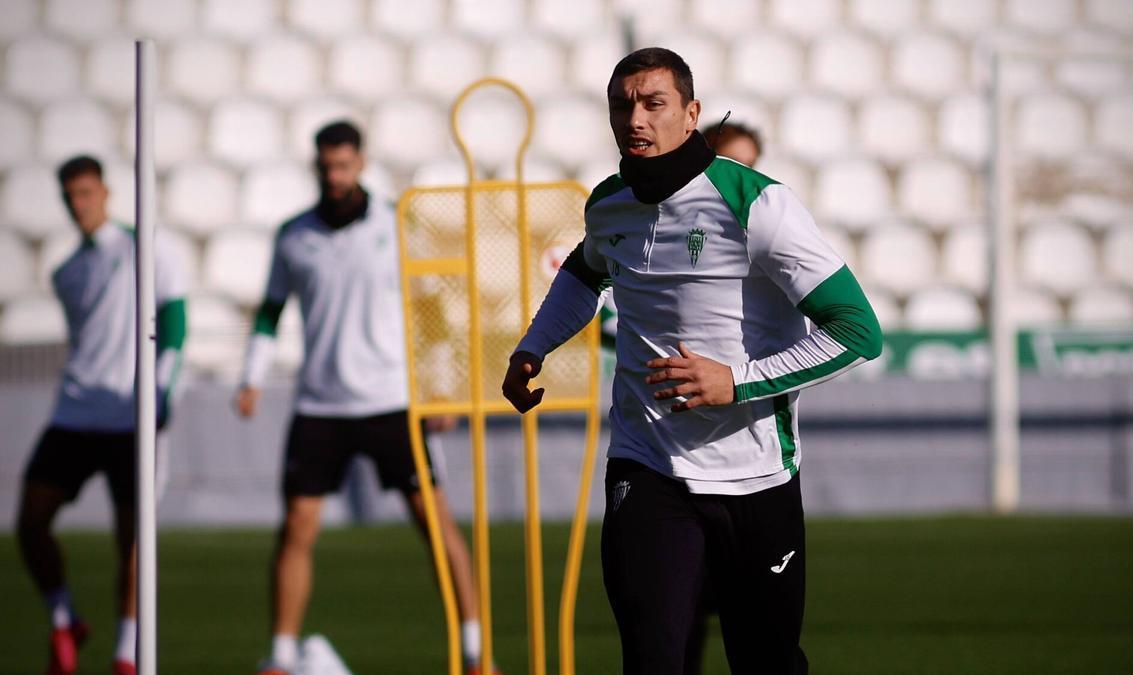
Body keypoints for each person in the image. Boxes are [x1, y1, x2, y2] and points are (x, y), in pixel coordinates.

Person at [502, 48, 882, 674]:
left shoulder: (757, 203)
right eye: (622, 106)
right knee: (653, 661)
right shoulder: (609, 204)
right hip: (647, 467)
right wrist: (533, 345)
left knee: (768, 664)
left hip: (755, 480)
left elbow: (858, 332)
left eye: (654, 104)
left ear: (691, 112)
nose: (636, 120)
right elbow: (584, 271)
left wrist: (735, 382)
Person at [235, 121, 490, 675]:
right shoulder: (293, 235)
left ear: (361, 163)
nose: (335, 176)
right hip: (321, 403)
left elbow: (434, 312)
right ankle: (280, 656)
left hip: (392, 399)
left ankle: (474, 652)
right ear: (316, 166)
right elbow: (270, 311)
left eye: (344, 165)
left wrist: (442, 387)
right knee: (297, 526)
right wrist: (251, 376)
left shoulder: (398, 222)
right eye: (326, 167)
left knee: (434, 523)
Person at [16, 155, 188, 675]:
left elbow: (176, 323)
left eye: (86, 193)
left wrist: (158, 393)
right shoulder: (67, 271)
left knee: (132, 539)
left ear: (106, 193)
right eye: (70, 196)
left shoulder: (148, 246)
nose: (79, 204)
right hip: (74, 410)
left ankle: (126, 652)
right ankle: (64, 617)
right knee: (30, 522)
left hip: (127, 414)